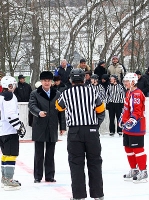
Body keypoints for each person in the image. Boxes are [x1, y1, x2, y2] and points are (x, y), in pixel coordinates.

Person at [55, 68, 105, 200]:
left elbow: (59, 107)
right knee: (94, 162)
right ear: (84, 79)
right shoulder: (93, 91)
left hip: (75, 132)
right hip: (91, 131)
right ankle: (98, 195)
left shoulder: (65, 94)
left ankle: (78, 196)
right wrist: (95, 125)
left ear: (71, 80)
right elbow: (101, 109)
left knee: (76, 164)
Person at [29, 71, 66, 183]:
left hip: (52, 125)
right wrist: (38, 112)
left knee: (50, 152)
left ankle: (50, 175)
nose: (46, 82)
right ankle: (37, 176)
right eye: (45, 80)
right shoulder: (35, 93)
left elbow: (61, 111)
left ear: (51, 82)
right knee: (39, 153)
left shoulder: (57, 94)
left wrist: (62, 126)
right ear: (41, 81)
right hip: (39, 126)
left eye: (49, 81)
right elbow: (31, 105)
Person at [0, 76, 22, 191]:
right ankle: (8, 180)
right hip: (9, 130)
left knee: (5, 154)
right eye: (13, 85)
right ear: (10, 85)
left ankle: (4, 178)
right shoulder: (10, 96)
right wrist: (19, 127)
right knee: (11, 155)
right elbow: (10, 114)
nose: (15, 87)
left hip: (1, 131)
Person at [119, 73, 148, 183]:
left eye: (127, 81)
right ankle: (134, 169)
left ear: (133, 82)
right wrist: (122, 119)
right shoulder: (128, 92)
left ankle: (143, 171)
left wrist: (131, 121)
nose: (125, 83)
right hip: (128, 127)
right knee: (128, 148)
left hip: (137, 126)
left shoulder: (137, 94)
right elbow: (126, 108)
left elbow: (137, 111)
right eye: (125, 81)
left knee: (138, 149)